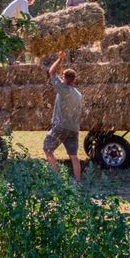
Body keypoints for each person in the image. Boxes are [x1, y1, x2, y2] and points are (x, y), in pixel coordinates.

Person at [43, 51, 84, 182]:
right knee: (74, 156)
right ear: (75, 80)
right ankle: (78, 182)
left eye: (63, 78)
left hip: (61, 127)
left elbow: (51, 72)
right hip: (74, 128)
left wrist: (60, 59)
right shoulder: (78, 94)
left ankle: (57, 179)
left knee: (47, 149)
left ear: (65, 79)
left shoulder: (63, 89)